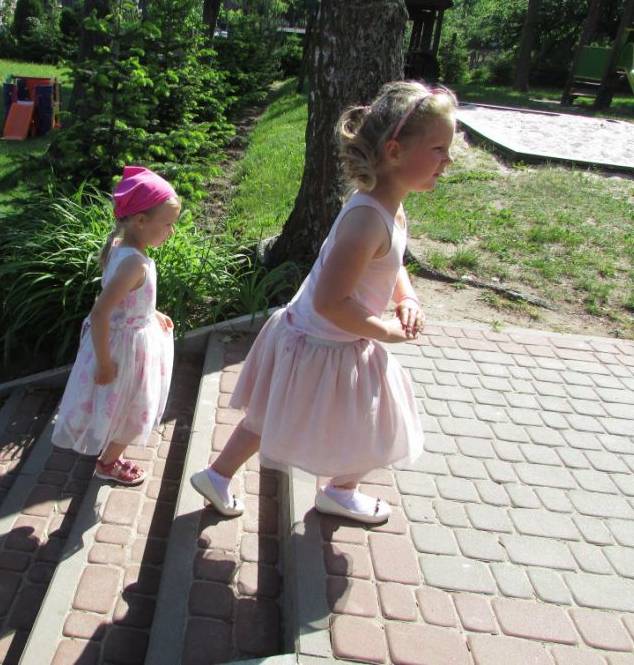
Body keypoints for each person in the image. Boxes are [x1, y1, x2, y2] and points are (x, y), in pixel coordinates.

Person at [190, 81, 456, 524]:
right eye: (438, 149)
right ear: (394, 152)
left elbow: (390, 264)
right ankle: (337, 491)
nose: (448, 160)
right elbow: (332, 302)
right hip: (325, 342)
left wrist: (406, 297)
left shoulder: (389, 207)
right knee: (377, 422)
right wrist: (386, 331)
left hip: (318, 335)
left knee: (271, 414)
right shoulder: (367, 221)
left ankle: (219, 476)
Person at [51, 167, 179, 486]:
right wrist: (105, 363)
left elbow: (125, 300)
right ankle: (108, 463)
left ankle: (110, 455)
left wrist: (152, 312)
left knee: (125, 403)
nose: (172, 231)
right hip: (124, 351)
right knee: (138, 409)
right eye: (167, 224)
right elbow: (100, 313)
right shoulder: (134, 263)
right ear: (141, 220)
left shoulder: (123, 248)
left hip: (129, 339)